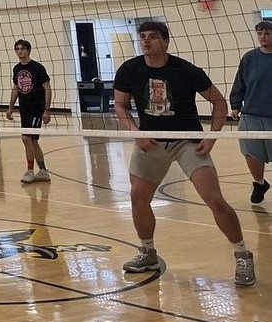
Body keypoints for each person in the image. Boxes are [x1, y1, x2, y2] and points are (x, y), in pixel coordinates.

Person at [113, 20, 254, 286]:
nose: (146, 41)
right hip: (151, 141)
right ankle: (147, 252)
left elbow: (219, 102)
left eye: (153, 37)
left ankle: (242, 254)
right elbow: (120, 105)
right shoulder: (129, 69)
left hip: (188, 142)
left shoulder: (186, 70)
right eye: (142, 37)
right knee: (137, 197)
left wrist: (211, 137)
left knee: (214, 199)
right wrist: (136, 132)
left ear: (165, 41)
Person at [230, 19, 272, 204]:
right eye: (260, 33)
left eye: (268, 33)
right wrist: (235, 104)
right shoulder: (249, 58)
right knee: (251, 152)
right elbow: (240, 82)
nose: (264, 36)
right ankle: (259, 183)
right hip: (252, 114)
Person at [5, 39, 52, 183]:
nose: (20, 51)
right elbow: (15, 88)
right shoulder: (16, 69)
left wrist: (47, 110)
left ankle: (30, 171)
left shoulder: (38, 68)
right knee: (33, 141)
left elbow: (47, 88)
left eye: (23, 49)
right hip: (24, 108)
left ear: (28, 50)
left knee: (26, 138)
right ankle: (43, 171)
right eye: (17, 49)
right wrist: (11, 107)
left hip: (36, 108)